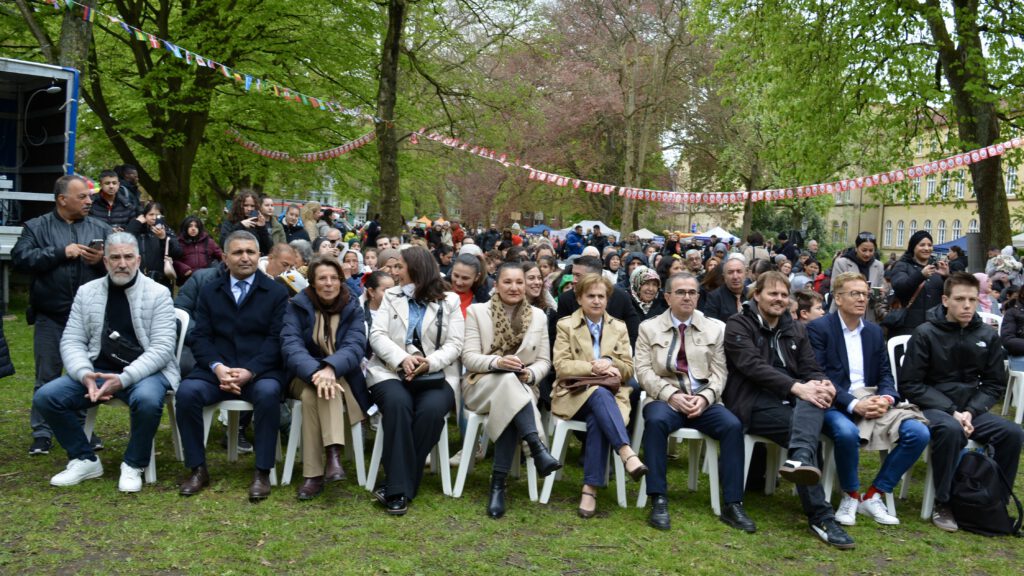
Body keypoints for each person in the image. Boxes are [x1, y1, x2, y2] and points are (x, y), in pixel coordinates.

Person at [33, 232, 178, 492]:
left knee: (146, 400)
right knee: (46, 397)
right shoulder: (87, 292)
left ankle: (133, 464)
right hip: (97, 371)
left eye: (128, 257)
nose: (122, 263)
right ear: (106, 262)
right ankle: (84, 458)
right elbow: (72, 340)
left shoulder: (159, 294)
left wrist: (123, 379)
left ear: (138, 259)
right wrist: (83, 374)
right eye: (115, 258)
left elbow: (162, 349)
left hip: (147, 372)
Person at [722, 271, 854, 548]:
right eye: (772, 293)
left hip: (793, 401)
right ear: (756, 295)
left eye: (784, 295)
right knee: (805, 426)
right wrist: (798, 387)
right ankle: (822, 517)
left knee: (813, 401)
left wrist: (824, 384)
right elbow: (753, 367)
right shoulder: (738, 325)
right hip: (751, 400)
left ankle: (800, 460)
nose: (779, 300)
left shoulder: (795, 328)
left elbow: (810, 367)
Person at [899, 272, 1023, 532]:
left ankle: (993, 500)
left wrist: (970, 411)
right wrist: (952, 411)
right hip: (933, 408)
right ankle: (943, 502)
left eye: (972, 299)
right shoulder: (925, 333)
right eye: (960, 299)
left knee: (1012, 432)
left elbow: (993, 384)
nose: (967, 305)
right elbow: (911, 385)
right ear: (945, 300)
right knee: (950, 429)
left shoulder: (987, 336)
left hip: (971, 410)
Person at [807, 272, 930, 527]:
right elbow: (819, 375)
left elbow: (885, 372)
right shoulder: (819, 329)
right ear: (838, 299)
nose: (862, 299)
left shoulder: (874, 332)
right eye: (855, 294)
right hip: (835, 402)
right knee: (846, 432)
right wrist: (853, 404)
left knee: (919, 432)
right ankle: (850, 495)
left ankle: (874, 495)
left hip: (873, 398)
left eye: (865, 294)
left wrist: (886, 397)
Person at [175, 231, 290, 501]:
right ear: (225, 258)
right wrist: (217, 367)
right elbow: (200, 336)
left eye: (250, 252)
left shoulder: (275, 292)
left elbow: (276, 339)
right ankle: (197, 469)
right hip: (216, 371)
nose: (245, 258)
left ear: (259, 255)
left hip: (259, 372)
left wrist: (250, 371)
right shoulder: (209, 290)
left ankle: (262, 471)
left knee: (268, 394)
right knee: (187, 394)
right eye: (238, 252)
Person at [636, 273, 755, 532]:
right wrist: (672, 396)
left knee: (733, 425)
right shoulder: (648, 327)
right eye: (680, 292)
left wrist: (705, 397)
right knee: (654, 421)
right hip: (666, 398)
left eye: (692, 292)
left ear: (698, 297)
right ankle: (658, 498)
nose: (687, 296)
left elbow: (720, 372)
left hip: (704, 401)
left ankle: (733, 503)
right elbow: (643, 372)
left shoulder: (716, 328)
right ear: (667, 297)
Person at [13, 175, 112, 456]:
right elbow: (21, 260)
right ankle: (42, 433)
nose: (89, 201)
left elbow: (122, 266)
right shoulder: (35, 227)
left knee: (85, 376)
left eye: (89, 197)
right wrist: (60, 252)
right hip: (51, 315)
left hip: (89, 319)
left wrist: (101, 263)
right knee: (47, 375)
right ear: (62, 200)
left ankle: (83, 429)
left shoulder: (100, 227)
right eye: (82, 197)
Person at [366, 246, 464, 515]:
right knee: (398, 405)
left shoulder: (450, 301)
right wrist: (402, 359)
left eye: (399, 267)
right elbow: (377, 335)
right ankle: (401, 489)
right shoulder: (391, 296)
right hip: (390, 371)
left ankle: (396, 484)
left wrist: (428, 363)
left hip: (435, 373)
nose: (394, 272)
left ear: (416, 269)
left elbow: (455, 344)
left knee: (431, 412)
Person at [461, 262, 562, 518]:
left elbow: (545, 362)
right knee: (507, 381)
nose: (514, 287)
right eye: (507, 282)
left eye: (519, 282)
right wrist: (497, 362)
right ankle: (536, 447)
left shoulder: (539, 316)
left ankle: (498, 484)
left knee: (510, 392)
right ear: (496, 285)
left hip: (524, 386)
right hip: (480, 385)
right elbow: (469, 358)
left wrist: (530, 374)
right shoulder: (477, 313)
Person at [551, 274, 646, 518]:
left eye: (601, 296)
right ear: (580, 298)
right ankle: (626, 452)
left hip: (610, 396)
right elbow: (561, 366)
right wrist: (593, 367)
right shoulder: (565, 325)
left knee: (599, 413)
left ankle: (589, 488)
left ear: (607, 299)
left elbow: (628, 368)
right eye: (590, 296)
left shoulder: (619, 326)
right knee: (598, 393)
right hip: (573, 393)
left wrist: (610, 362)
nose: (596, 301)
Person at [281, 257, 370, 500]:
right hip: (302, 375)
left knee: (318, 393)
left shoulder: (352, 307)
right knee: (318, 388)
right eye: (322, 278)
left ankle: (314, 475)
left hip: (340, 375)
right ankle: (333, 455)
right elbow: (291, 346)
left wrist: (330, 369)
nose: (328, 283)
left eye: (334, 278)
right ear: (312, 282)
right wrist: (315, 372)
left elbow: (355, 346)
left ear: (341, 281)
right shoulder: (297, 306)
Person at [554, 255, 641, 349]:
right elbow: (562, 339)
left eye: (578, 275)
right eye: (573, 274)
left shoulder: (621, 297)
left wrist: (611, 358)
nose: (573, 280)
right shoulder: (565, 299)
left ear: (595, 276)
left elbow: (633, 334)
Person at [886, 230, 948, 336]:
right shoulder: (901, 265)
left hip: (933, 327)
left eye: (929, 245)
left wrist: (947, 276)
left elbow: (950, 296)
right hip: (907, 327)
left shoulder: (937, 268)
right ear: (913, 247)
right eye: (922, 245)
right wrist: (921, 275)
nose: (927, 248)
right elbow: (900, 287)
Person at [830, 232, 885, 322]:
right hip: (844, 315)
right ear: (856, 248)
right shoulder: (842, 263)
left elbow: (879, 292)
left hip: (868, 316)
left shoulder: (879, 265)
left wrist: (879, 293)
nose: (867, 254)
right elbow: (834, 290)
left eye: (871, 250)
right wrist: (860, 292)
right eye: (864, 250)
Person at [126, 201, 182, 289]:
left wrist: (163, 238)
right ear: (144, 216)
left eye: (157, 215)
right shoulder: (138, 231)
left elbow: (177, 253)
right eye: (151, 214)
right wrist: (136, 223)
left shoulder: (168, 232)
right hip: (139, 280)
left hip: (161, 281)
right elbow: (124, 240)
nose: (154, 218)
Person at [174, 216, 222, 286]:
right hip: (187, 280)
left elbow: (222, 256)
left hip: (207, 279)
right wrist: (183, 268)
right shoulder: (178, 242)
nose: (193, 229)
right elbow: (172, 260)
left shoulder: (209, 242)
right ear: (185, 227)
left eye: (196, 226)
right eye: (190, 226)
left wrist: (218, 271)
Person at [701, 253, 747, 323]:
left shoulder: (752, 294)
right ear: (724, 276)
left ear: (745, 274)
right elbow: (710, 325)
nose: (735, 276)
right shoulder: (714, 297)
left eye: (739, 271)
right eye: (730, 272)